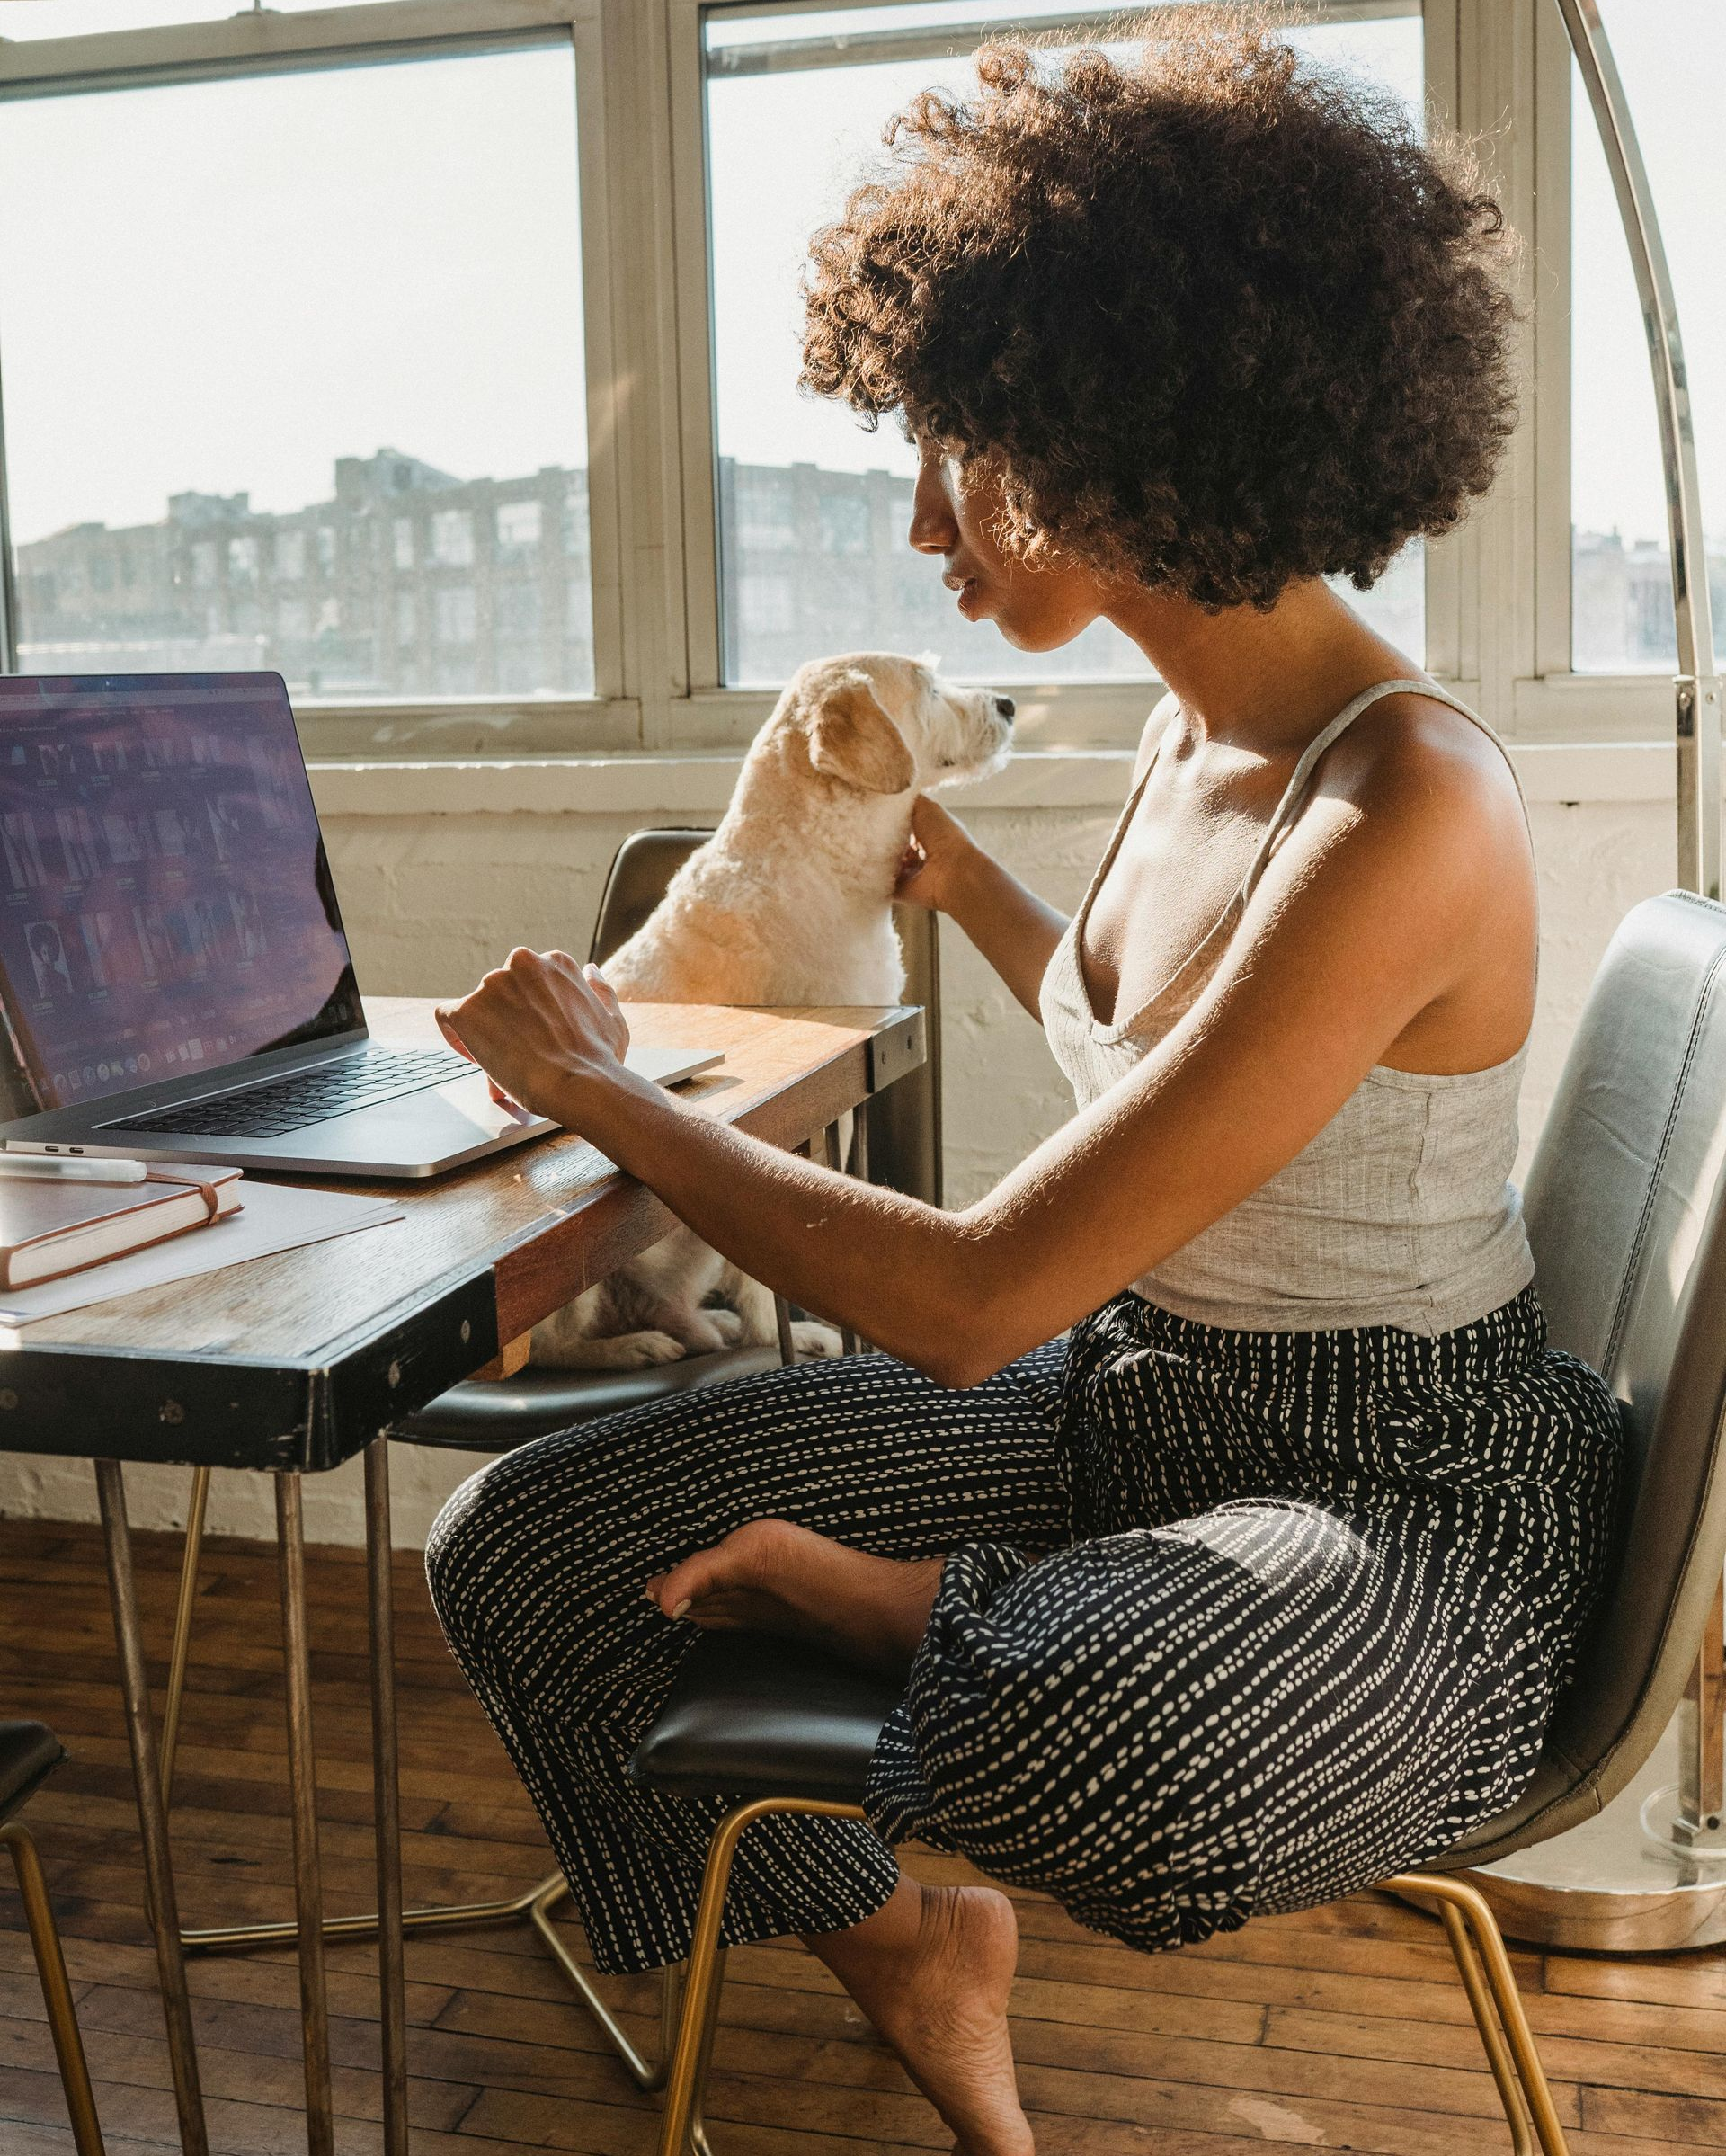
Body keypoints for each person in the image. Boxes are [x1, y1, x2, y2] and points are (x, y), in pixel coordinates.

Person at [424, 18, 1622, 2153]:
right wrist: (944, 868)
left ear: (1124, 428)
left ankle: (914, 1606)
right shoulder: (1189, 738)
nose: (920, 522)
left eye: (958, 450)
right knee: (523, 1536)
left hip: (1395, 1493)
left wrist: (612, 1085)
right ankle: (907, 1940)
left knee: (1119, 1720)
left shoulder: (1408, 802)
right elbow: (1123, 1030)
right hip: (1126, 1413)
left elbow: (975, 1292)